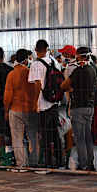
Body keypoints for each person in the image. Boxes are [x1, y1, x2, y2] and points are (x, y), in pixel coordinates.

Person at [61, 47, 97, 171]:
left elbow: (64, 85)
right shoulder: (94, 69)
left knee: (80, 138)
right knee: (88, 136)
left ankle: (83, 165)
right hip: (90, 107)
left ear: (79, 56)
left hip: (78, 107)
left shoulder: (78, 71)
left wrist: (71, 87)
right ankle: (90, 162)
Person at [32, 40, 65, 169]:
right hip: (54, 102)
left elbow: (37, 85)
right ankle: (59, 161)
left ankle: (48, 162)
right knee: (55, 133)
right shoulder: (54, 62)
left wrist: (35, 103)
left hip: (43, 103)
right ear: (47, 49)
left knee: (45, 135)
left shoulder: (36, 65)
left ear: (36, 50)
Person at [4, 48, 36, 170]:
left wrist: (6, 111)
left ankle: (21, 164)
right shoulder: (30, 73)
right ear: (26, 60)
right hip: (30, 109)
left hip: (16, 109)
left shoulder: (12, 75)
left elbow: (7, 96)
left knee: (17, 139)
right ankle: (35, 163)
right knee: (32, 137)